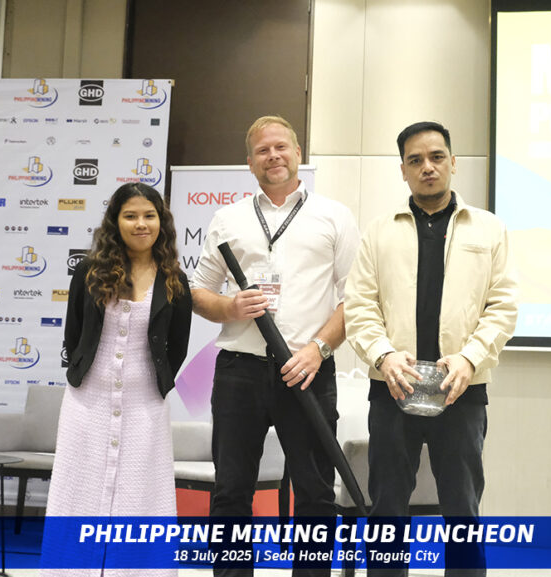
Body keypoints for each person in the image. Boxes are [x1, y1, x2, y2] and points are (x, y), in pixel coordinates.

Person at [344, 121, 519, 576]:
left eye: (437, 157)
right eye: (416, 160)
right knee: (387, 513)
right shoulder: (379, 232)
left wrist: (470, 357)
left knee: (463, 512)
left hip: (461, 390)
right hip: (393, 388)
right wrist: (383, 355)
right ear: (403, 170)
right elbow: (359, 306)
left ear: (453, 163)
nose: (428, 167)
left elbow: (503, 306)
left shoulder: (489, 229)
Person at [190, 115, 360, 577]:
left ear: (298, 153)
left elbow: (356, 298)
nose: (273, 156)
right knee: (231, 492)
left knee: (315, 494)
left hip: (307, 369)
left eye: (281, 147)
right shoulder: (228, 219)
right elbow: (198, 292)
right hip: (239, 372)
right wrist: (230, 307)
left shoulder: (334, 216)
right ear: (249, 162)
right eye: (262, 150)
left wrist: (318, 349)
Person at [42, 182, 192, 577]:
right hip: (87, 403)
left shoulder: (175, 280)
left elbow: (177, 347)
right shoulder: (89, 272)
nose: (141, 224)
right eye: (131, 216)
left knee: (141, 496)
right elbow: (74, 335)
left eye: (149, 216)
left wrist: (151, 381)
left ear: (161, 222)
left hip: (145, 407)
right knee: (77, 491)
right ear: (115, 221)